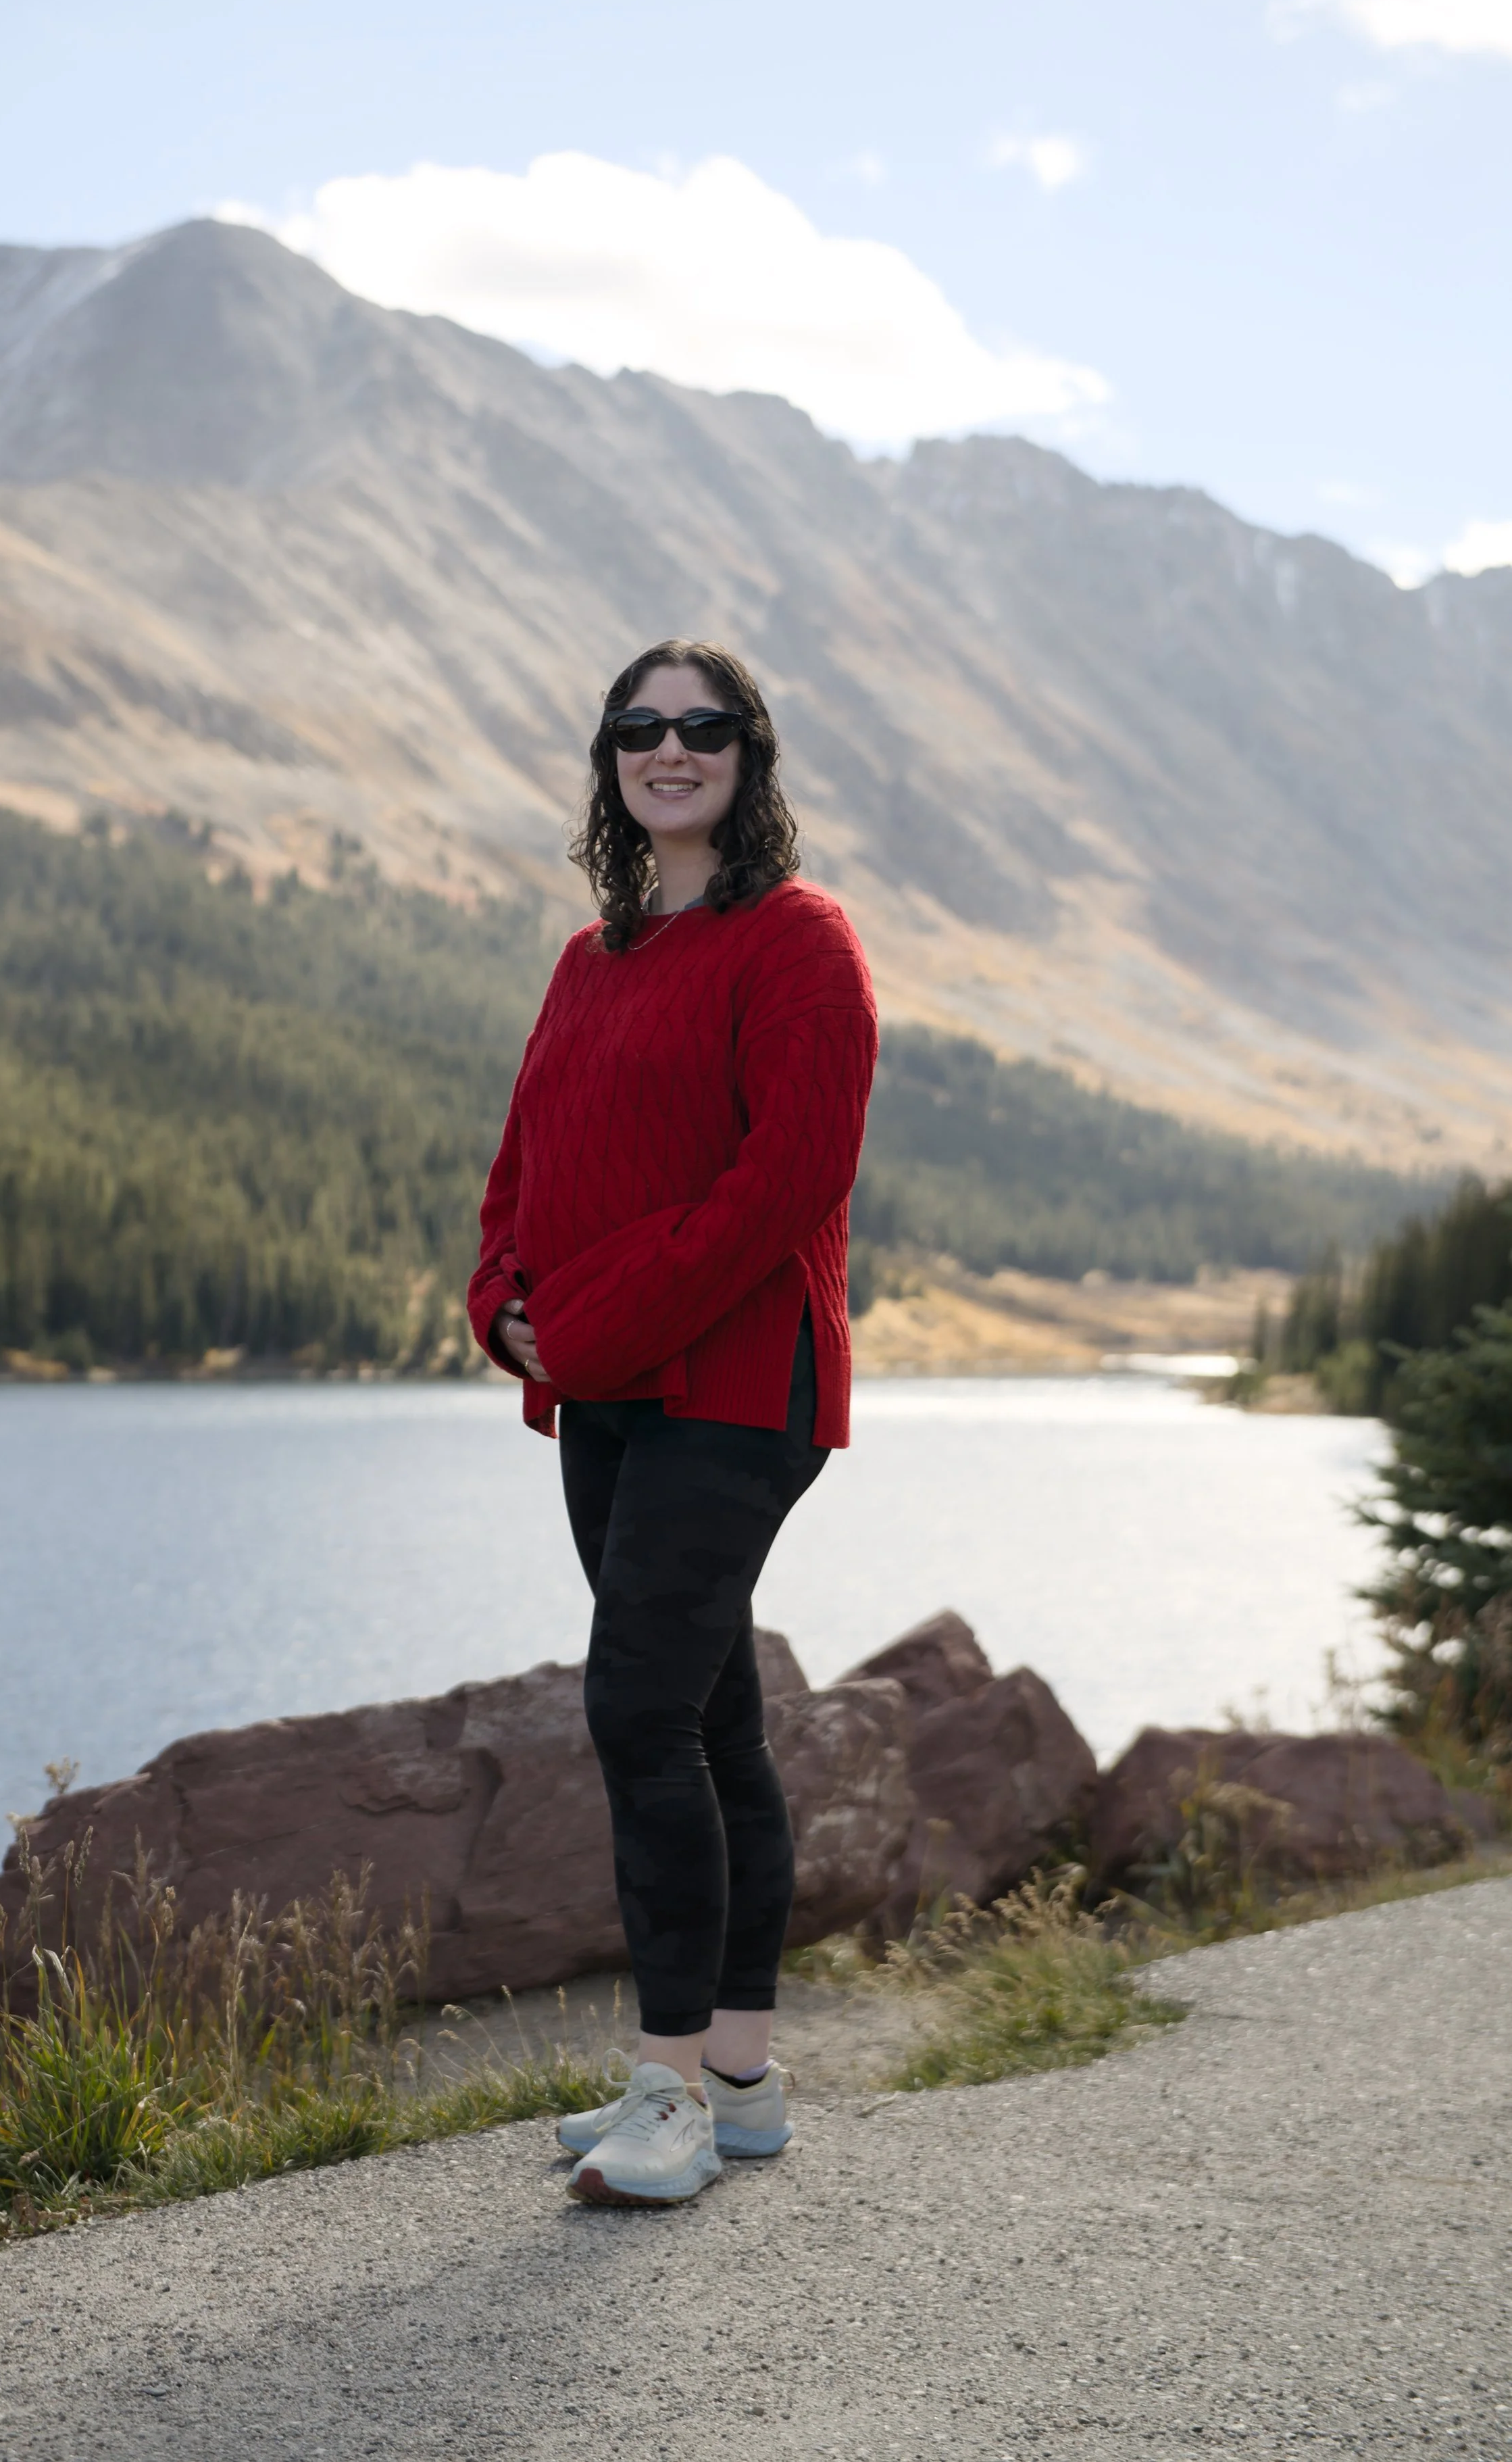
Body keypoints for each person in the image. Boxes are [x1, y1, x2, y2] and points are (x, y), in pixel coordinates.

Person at [467, 639, 878, 2207]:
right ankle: (745, 2084)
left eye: (701, 727)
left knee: (636, 1709)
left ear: (746, 757)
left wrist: (587, 1318)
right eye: (638, 729)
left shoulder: (796, 940)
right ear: (611, 763)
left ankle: (667, 2090)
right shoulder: (593, 959)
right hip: (605, 1384)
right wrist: (501, 1297)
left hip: (735, 1383)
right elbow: (525, 1165)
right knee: (709, 1723)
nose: (668, 749)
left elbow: (785, 1182)